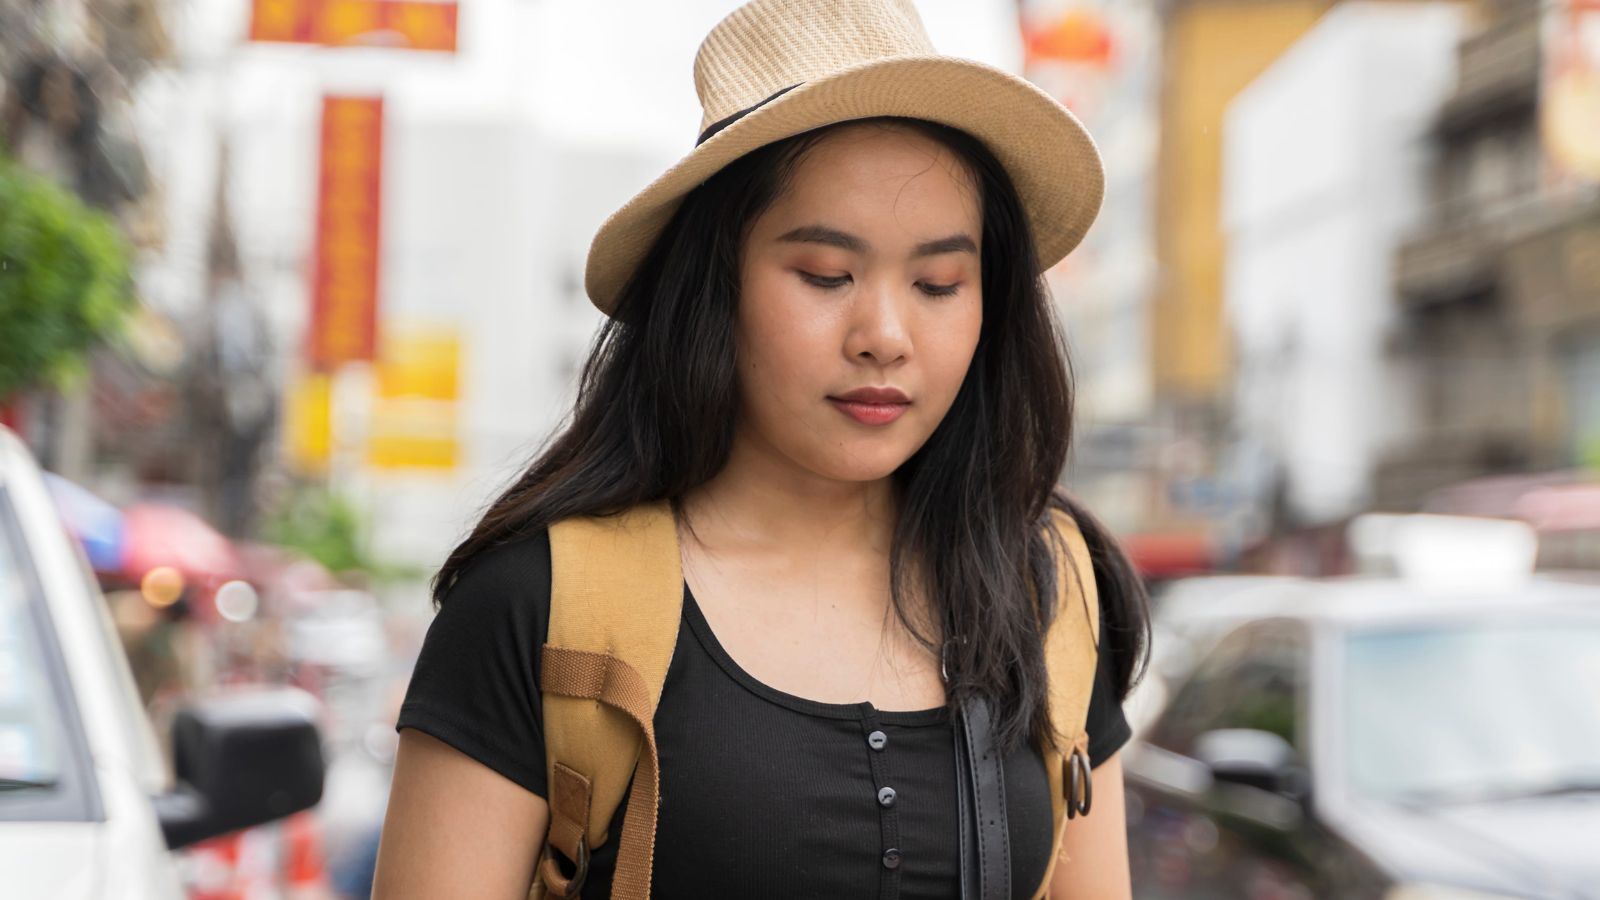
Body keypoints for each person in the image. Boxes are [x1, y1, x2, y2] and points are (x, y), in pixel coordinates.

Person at [374, 0, 1150, 897]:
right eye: (827, 275)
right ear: (715, 285)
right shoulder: (543, 612)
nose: (884, 336)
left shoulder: (1048, 588)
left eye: (939, 283)